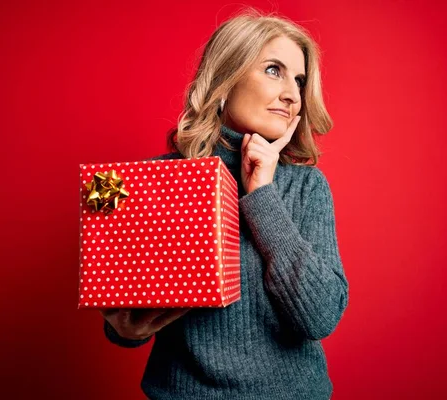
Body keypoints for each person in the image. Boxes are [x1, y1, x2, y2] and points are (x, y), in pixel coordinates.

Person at [100, 8, 349, 400]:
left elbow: (319, 317)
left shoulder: (306, 187)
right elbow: (127, 315)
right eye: (273, 70)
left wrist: (262, 195)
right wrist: (124, 329)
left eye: (299, 80)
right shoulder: (157, 180)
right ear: (225, 78)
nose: (291, 93)